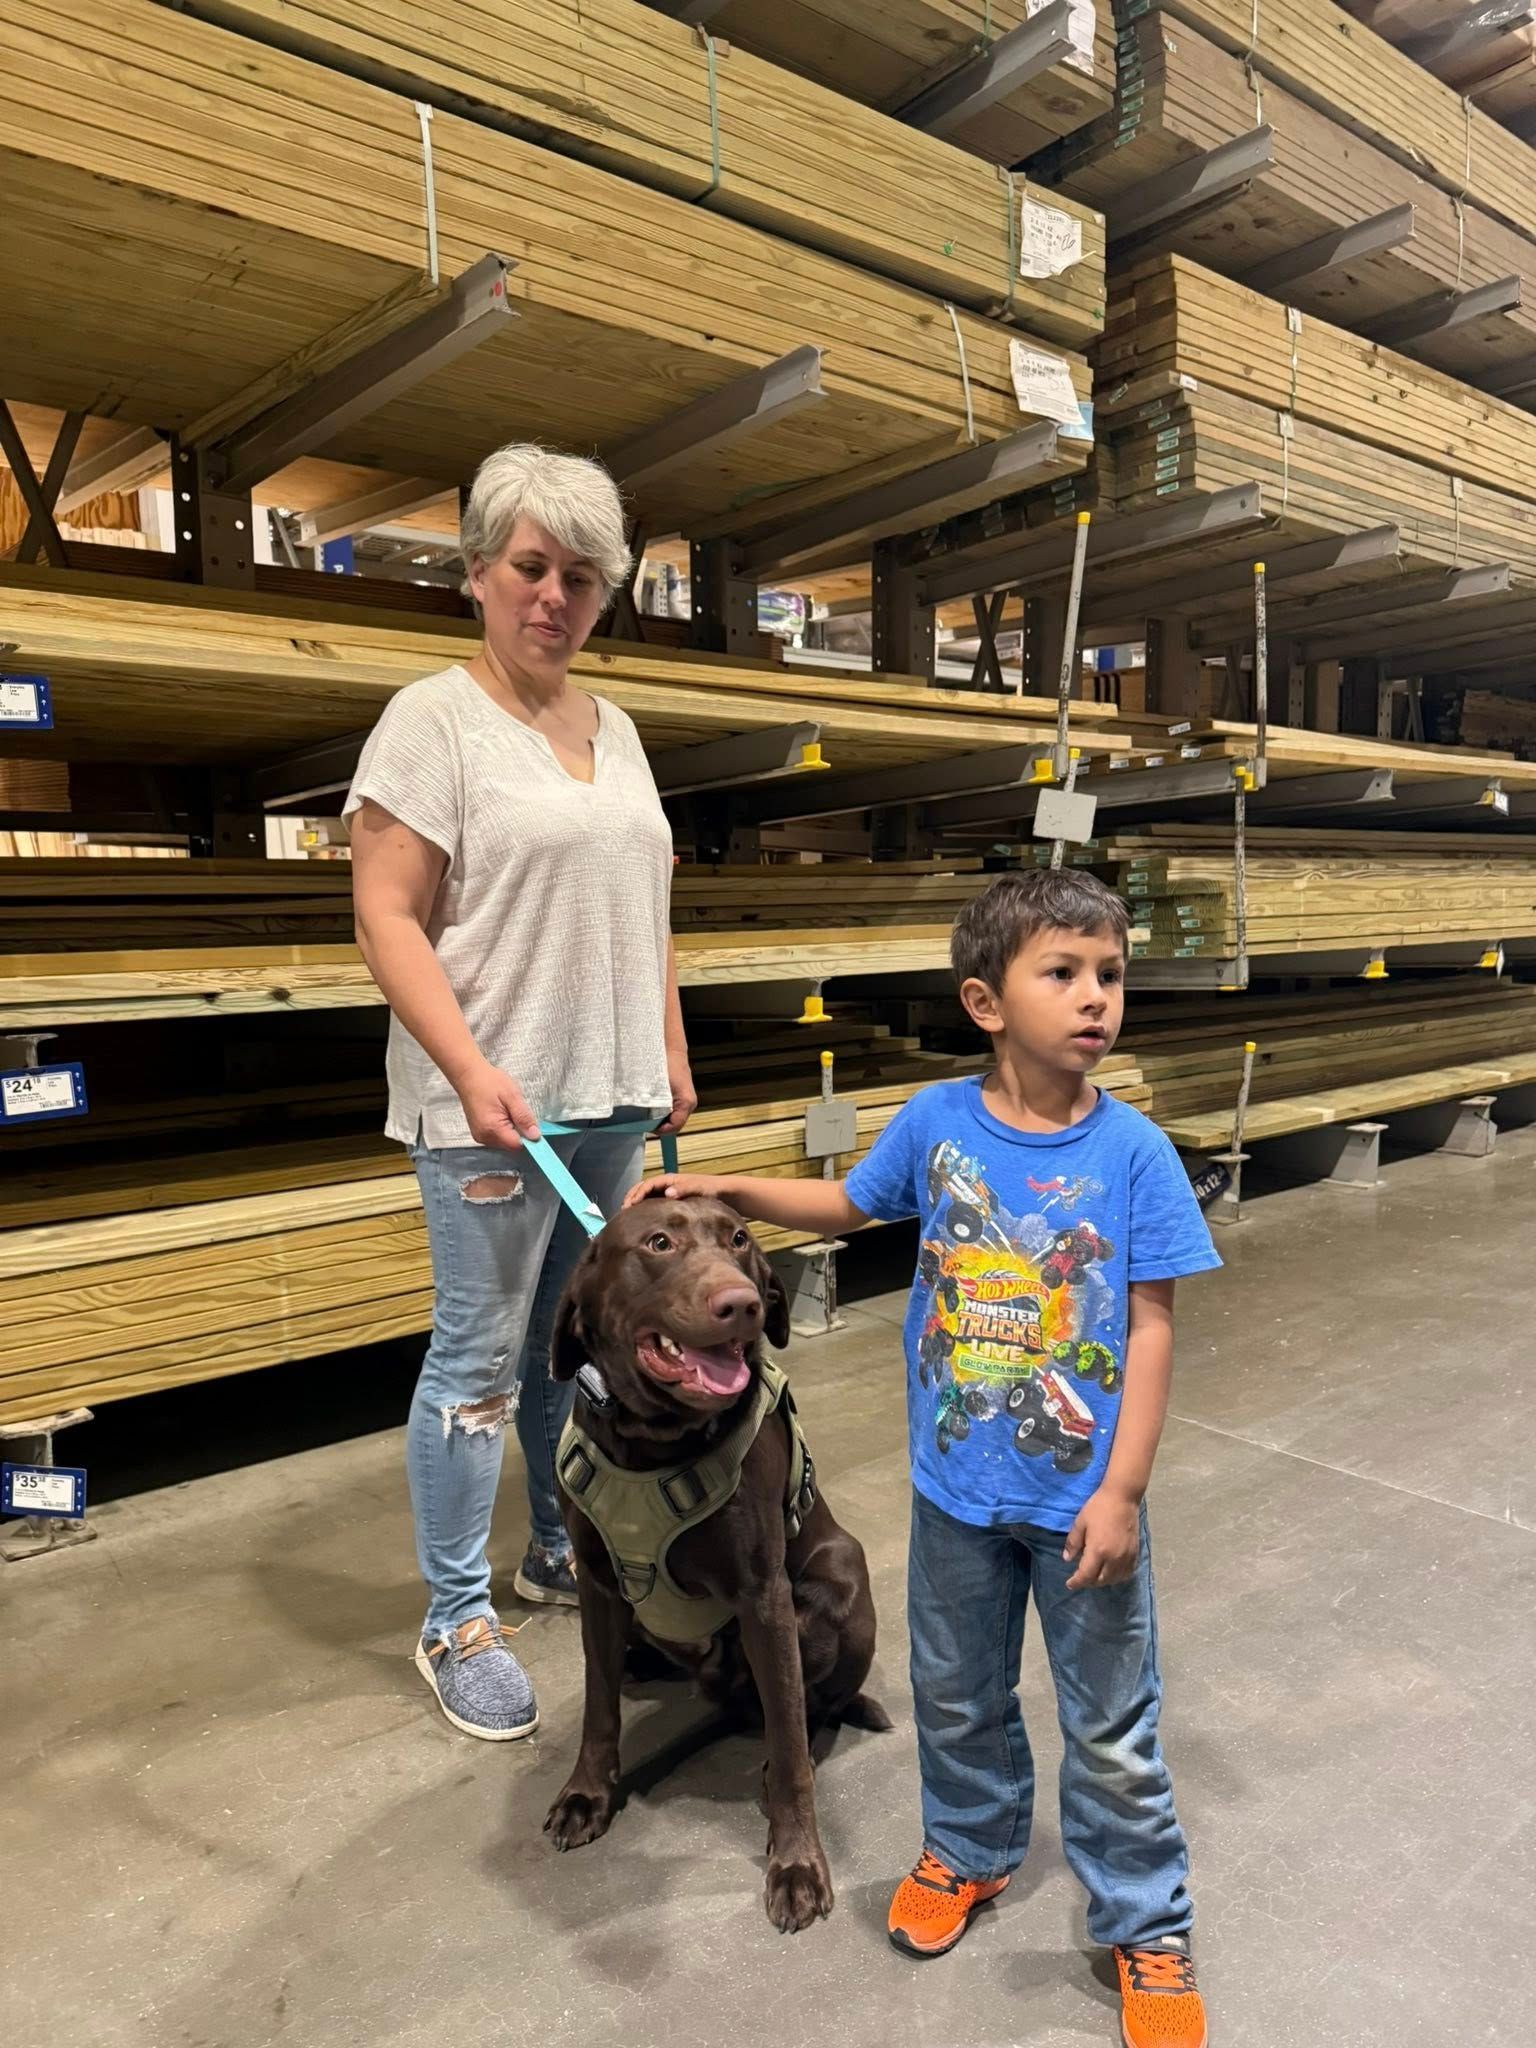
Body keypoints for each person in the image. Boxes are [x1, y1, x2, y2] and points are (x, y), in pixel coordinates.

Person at [625, 867, 1217, 2048]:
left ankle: (1145, 1920)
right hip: (955, 1493)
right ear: (984, 1000)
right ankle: (970, 1849)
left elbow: (1149, 1321)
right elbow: (849, 1202)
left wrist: (1124, 1488)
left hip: (1078, 1503)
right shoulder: (936, 1124)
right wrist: (733, 1183)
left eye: (1109, 973)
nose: (1096, 997)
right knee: (955, 1693)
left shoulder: (1135, 1152)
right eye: (1064, 972)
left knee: (1110, 1719)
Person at [344, 443, 694, 1743]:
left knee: (575, 1343)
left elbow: (650, 905)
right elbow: (385, 917)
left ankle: (559, 1550)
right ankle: (453, 1618)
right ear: (481, 573)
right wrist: (474, 1068)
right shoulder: (433, 722)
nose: (556, 594)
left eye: (583, 575)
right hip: (490, 1106)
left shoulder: (619, 730)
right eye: (533, 566)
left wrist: (664, 1040)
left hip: (602, 1092)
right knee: (479, 1363)